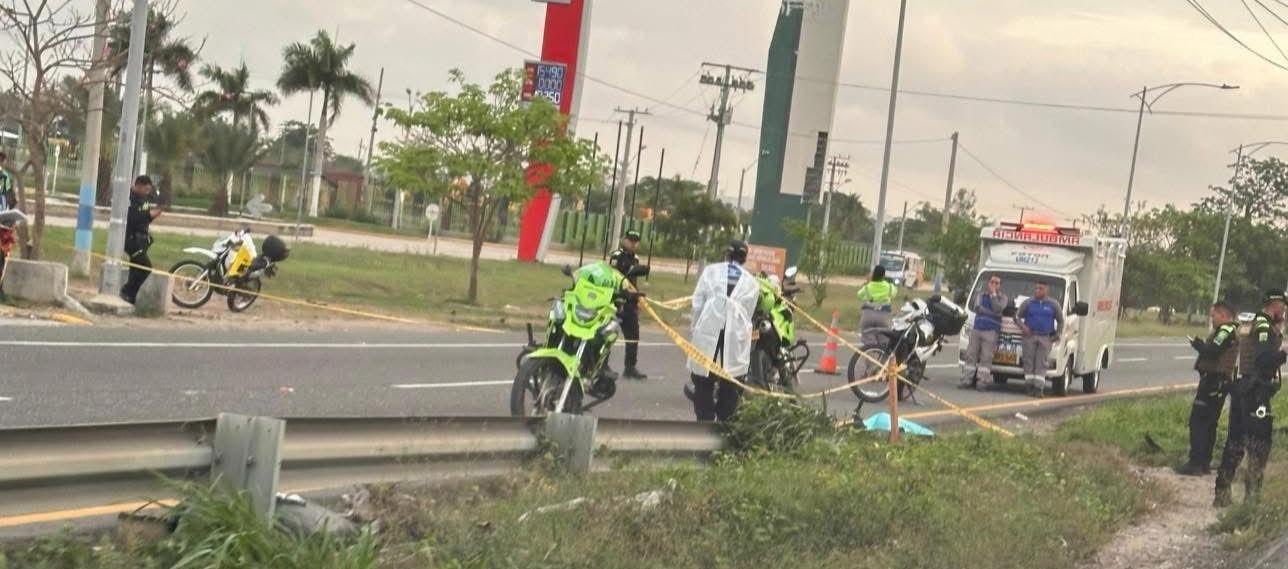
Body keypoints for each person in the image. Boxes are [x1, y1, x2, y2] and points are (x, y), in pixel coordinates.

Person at [1214, 290, 1287, 507]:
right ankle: (1252, 499)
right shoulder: (1264, 325)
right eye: (1282, 307)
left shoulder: (1253, 323)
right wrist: (1283, 353)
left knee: (1235, 441)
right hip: (1255, 392)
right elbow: (1264, 360)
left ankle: (1222, 492)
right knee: (1259, 444)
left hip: (1242, 388)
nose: (1284, 311)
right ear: (1274, 305)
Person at [687, 239, 759, 422]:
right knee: (731, 382)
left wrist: (695, 329)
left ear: (726, 254)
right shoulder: (751, 282)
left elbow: (697, 304)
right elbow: (749, 313)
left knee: (703, 380)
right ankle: (723, 425)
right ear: (744, 258)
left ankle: (705, 421)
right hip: (735, 336)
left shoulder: (711, 271)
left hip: (708, 330)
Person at [1176, 301, 1239, 476]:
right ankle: (1203, 462)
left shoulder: (1226, 330)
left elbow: (1213, 351)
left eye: (1214, 315)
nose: (1211, 319)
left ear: (1223, 315)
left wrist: (1198, 345)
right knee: (1209, 423)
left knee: (1198, 422)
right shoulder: (1227, 330)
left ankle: (1196, 462)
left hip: (1214, 382)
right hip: (1217, 382)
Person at [609, 230, 649, 380]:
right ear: (624, 240)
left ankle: (630, 367)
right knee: (609, 335)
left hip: (631, 302)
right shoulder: (616, 256)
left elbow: (633, 281)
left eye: (635, 241)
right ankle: (602, 366)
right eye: (630, 240)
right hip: (616, 301)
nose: (632, 243)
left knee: (633, 336)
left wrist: (637, 298)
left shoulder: (635, 258)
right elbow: (614, 275)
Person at [1017, 281, 1063, 399]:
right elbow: (1016, 317)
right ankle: (1029, 387)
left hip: (1045, 337)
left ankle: (1038, 389)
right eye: (1036, 288)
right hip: (1029, 337)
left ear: (1047, 290)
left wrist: (1058, 334)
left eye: (1040, 288)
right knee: (1029, 361)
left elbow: (1060, 320)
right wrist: (1024, 327)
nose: (1037, 290)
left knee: (1041, 363)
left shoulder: (1053, 304)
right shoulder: (1028, 303)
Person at [962, 275, 1009, 391]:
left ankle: (982, 383)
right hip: (977, 329)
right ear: (988, 283)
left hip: (991, 331)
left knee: (986, 357)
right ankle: (967, 381)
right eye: (992, 282)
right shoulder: (981, 295)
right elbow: (978, 308)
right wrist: (994, 313)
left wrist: (993, 296)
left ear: (1000, 286)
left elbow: (998, 308)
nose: (993, 284)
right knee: (971, 355)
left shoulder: (1003, 298)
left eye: (996, 283)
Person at [120, 175, 160, 304]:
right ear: (138, 186)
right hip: (130, 239)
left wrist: (153, 215)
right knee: (146, 267)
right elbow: (132, 218)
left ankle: (130, 299)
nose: (148, 192)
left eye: (149, 190)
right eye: (146, 189)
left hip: (141, 239)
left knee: (136, 269)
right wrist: (149, 215)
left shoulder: (146, 199)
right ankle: (126, 291)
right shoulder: (129, 198)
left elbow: (145, 216)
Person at [856, 265, 898, 347]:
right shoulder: (889, 287)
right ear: (883, 275)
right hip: (883, 317)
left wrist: (868, 282)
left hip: (868, 316)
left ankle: (870, 356)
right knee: (884, 341)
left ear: (873, 274)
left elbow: (859, 295)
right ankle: (881, 358)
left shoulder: (868, 287)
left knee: (869, 343)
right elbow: (894, 294)